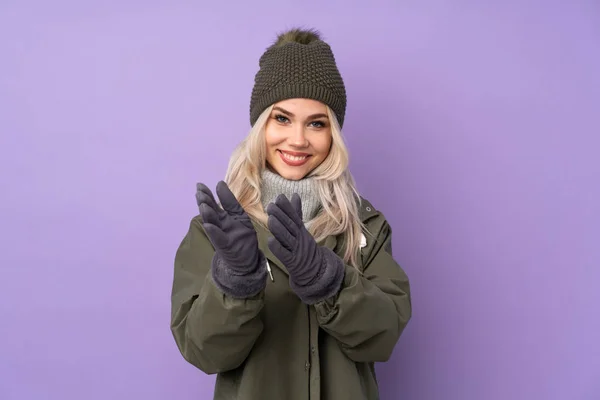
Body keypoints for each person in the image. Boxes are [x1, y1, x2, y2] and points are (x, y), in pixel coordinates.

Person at [170, 27, 412, 400]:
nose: (298, 139)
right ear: (260, 124)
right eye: (282, 118)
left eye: (317, 123)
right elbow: (204, 352)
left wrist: (328, 278)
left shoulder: (365, 228)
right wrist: (236, 280)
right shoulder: (214, 231)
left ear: (334, 134)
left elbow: (382, 339)